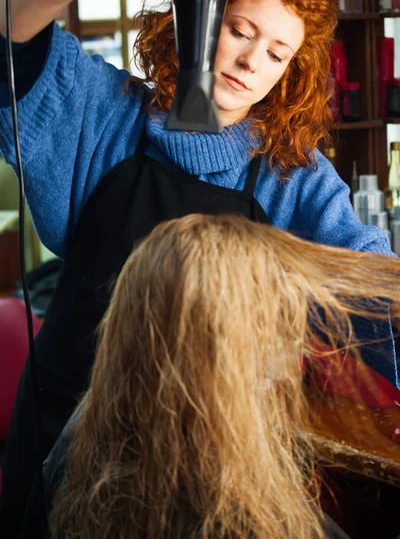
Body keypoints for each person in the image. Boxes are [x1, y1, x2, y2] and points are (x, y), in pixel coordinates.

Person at [0, 0, 396, 535]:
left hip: (210, 450)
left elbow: (373, 290)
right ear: (198, 17)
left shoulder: (293, 175)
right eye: (240, 30)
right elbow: (11, 42)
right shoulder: (108, 112)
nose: (251, 63)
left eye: (277, 54)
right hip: (62, 419)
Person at [24, 213, 400, 539]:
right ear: (221, 352)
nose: (286, 350)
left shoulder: (81, 437)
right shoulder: (245, 522)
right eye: (268, 327)